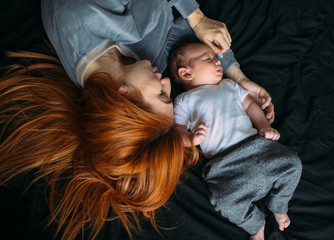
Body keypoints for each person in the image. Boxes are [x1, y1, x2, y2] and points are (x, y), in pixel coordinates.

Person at [1, 1, 274, 240]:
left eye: (162, 95)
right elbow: (182, 36)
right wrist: (239, 79)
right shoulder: (137, 67)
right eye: (170, 96)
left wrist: (197, 18)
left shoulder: (81, 14)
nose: (167, 82)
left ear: (125, 95)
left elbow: (190, 24)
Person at [169, 42, 302, 240]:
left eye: (216, 57)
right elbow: (177, 132)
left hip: (256, 147)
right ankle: (256, 225)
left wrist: (263, 126)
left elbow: (251, 106)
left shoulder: (229, 85)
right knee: (224, 201)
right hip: (224, 165)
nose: (217, 62)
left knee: (293, 163)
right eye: (208, 59)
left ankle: (279, 205)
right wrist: (190, 138)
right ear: (186, 73)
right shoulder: (184, 101)